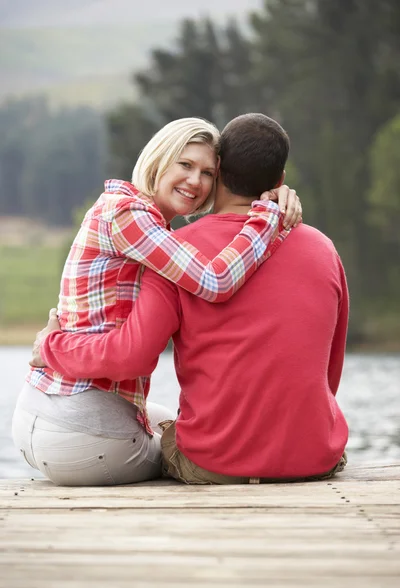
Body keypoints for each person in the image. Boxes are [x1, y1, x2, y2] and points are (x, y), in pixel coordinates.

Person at [28, 113, 348, 484]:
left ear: (220, 172)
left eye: (206, 171)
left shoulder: (178, 253)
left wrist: (50, 346)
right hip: (313, 456)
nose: (196, 180)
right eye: (186, 166)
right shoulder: (324, 248)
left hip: (216, 464)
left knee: (166, 430)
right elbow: (331, 366)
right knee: (156, 419)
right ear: (279, 182)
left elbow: (132, 353)